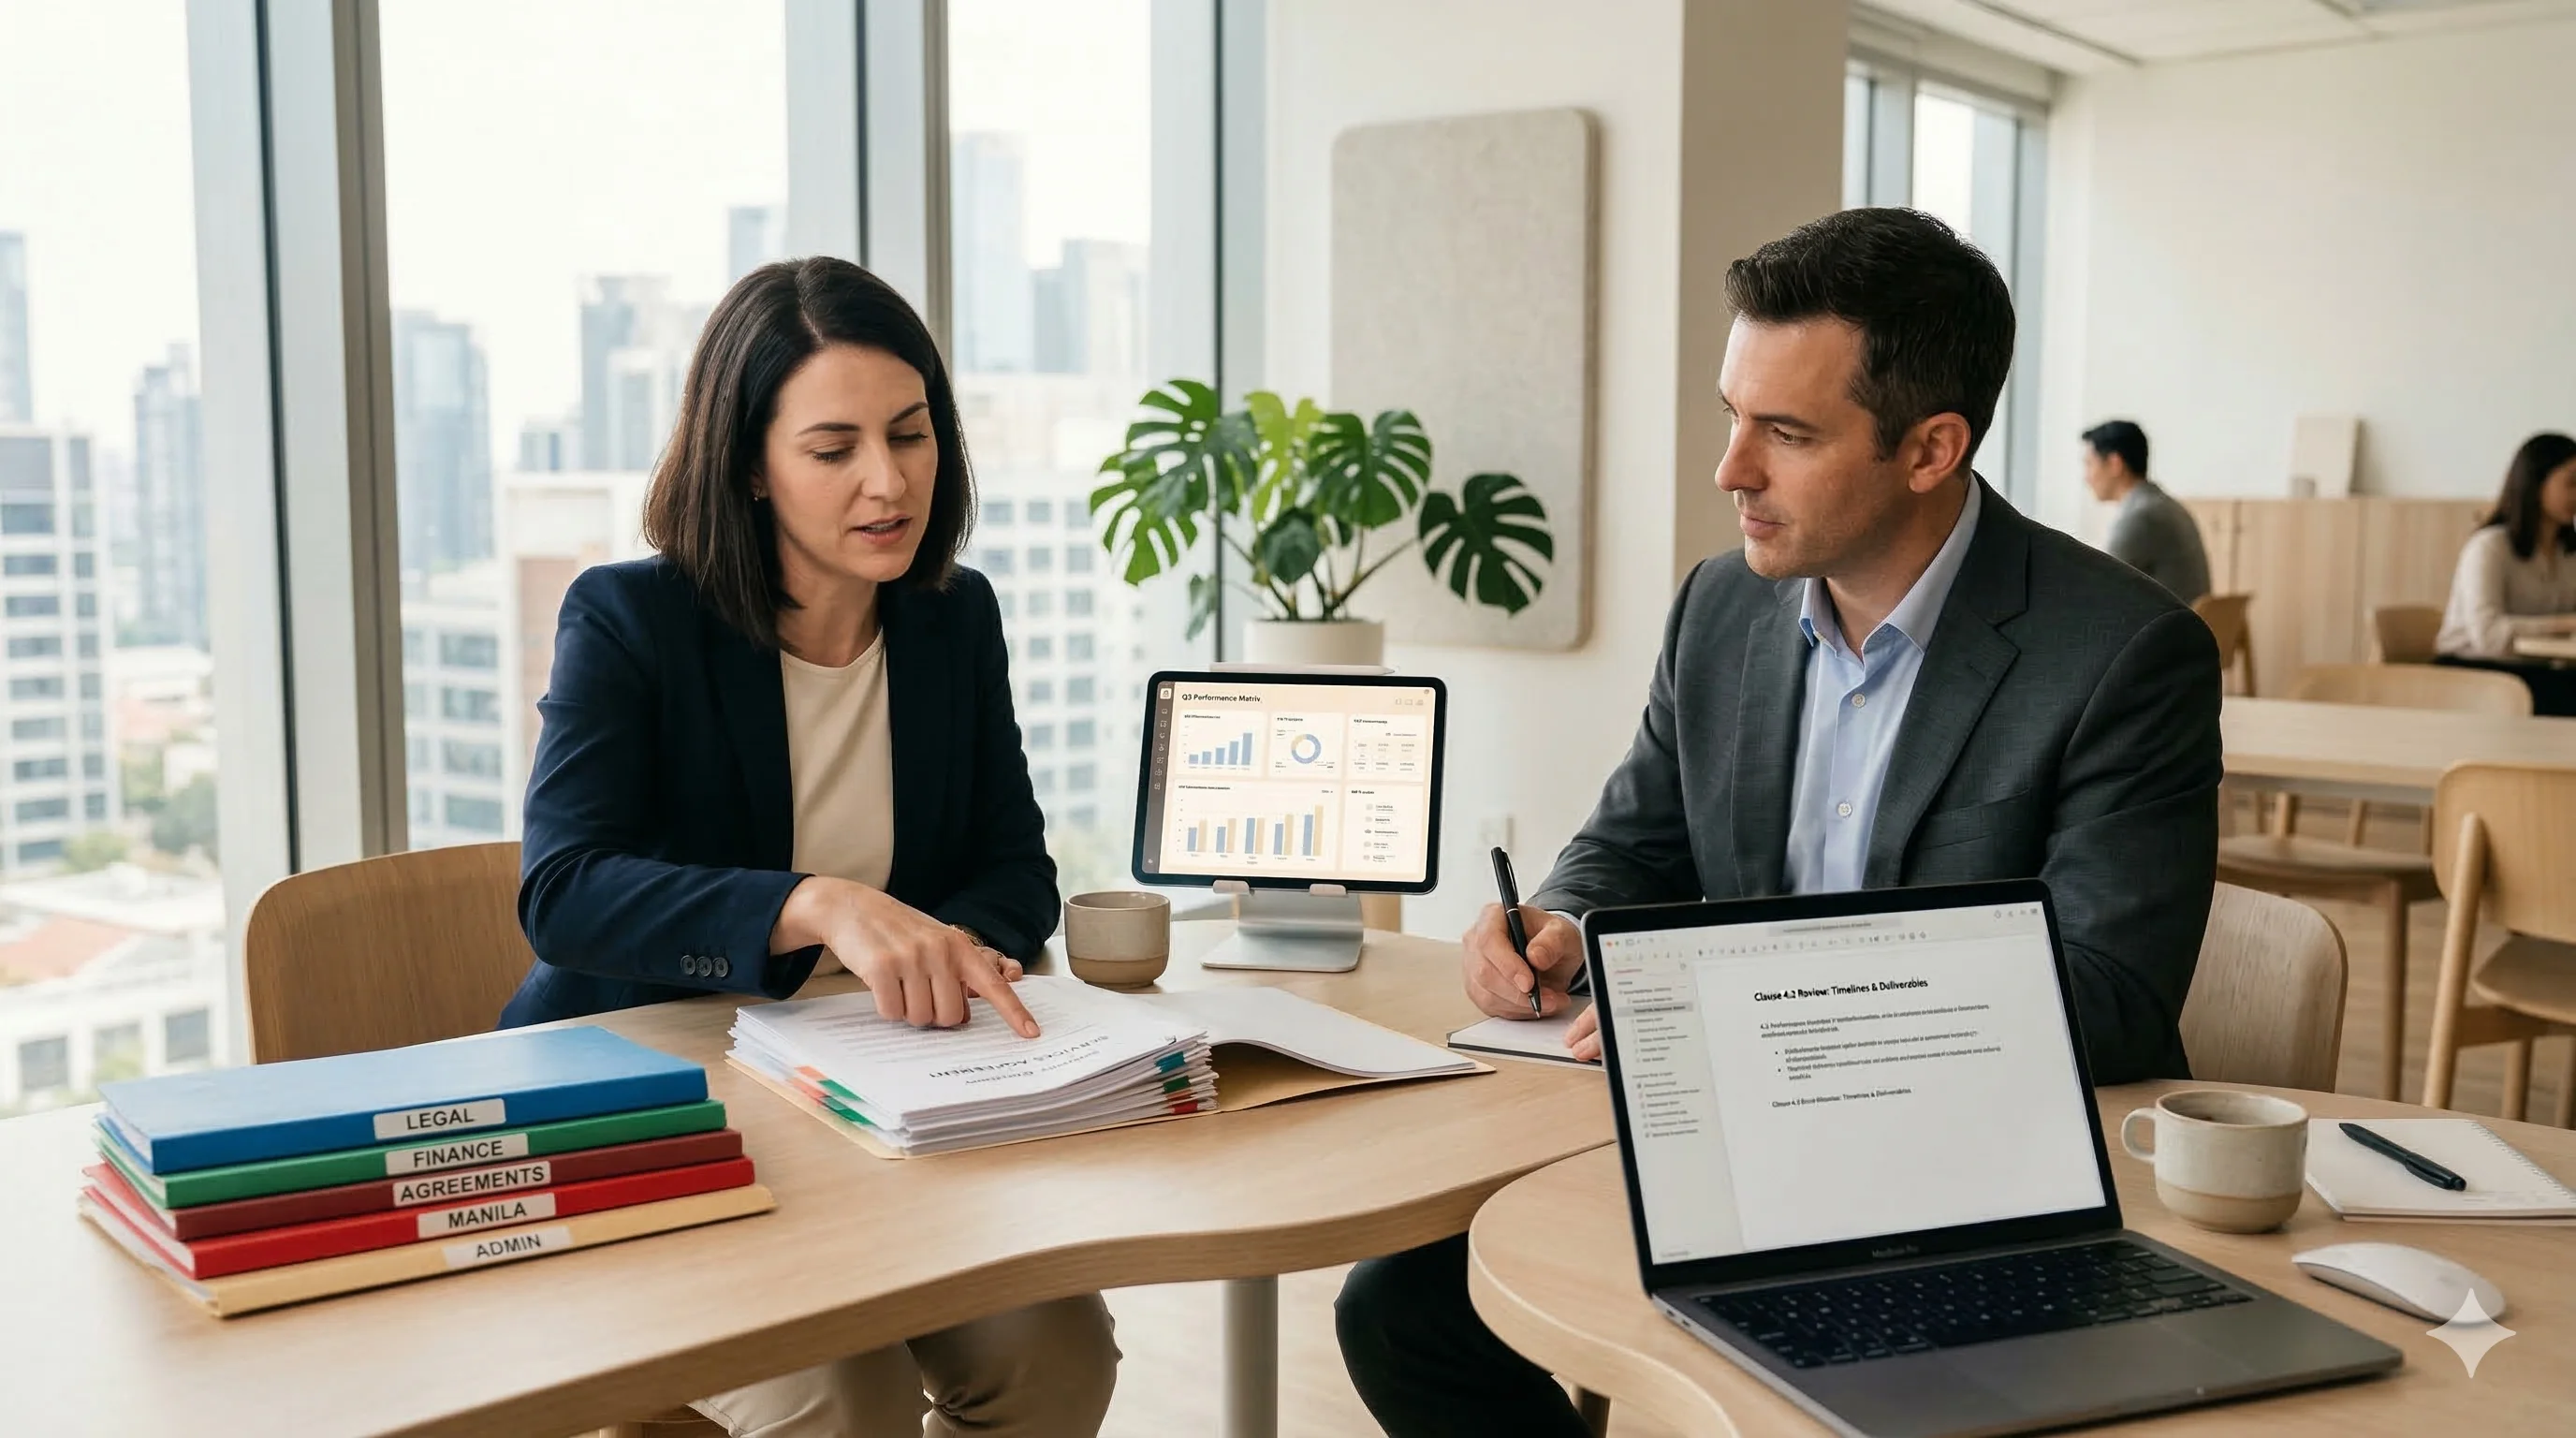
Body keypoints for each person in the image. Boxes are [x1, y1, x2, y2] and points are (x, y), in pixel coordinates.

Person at [1334, 209, 2222, 1438]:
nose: (1730, 470)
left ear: (1931, 447)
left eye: (1786, 433)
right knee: (1399, 1312)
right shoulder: (1721, 609)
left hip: (1971, 1176)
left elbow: (2110, 992)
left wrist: (1756, 1010)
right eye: (1730, 415)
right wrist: (1558, 916)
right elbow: (1640, 838)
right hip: (1736, 1157)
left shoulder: (2124, 653)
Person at [499, 257, 1117, 1437]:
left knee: (1057, 1352)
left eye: (911, 434)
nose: (888, 482)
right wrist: (815, 905)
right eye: (834, 450)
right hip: (652, 1115)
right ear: (750, 464)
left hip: (877, 1097)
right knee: (846, 1393)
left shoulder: (952, 617)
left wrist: (949, 949)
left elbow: (1014, 871)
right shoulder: (630, 621)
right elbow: (565, 893)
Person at [2434, 432, 2576, 714]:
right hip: (2473, 672)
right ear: (2536, 483)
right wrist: (2566, 624)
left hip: (2535, 670)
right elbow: (2488, 636)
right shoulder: (2489, 547)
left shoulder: (2568, 552)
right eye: (2571, 482)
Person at [2082, 418, 2210, 604]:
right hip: (2187, 626)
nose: (2086, 477)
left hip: (2165, 630)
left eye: (2089, 464)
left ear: (2115, 464)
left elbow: (2100, 593)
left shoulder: (2140, 517)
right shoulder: (2165, 505)